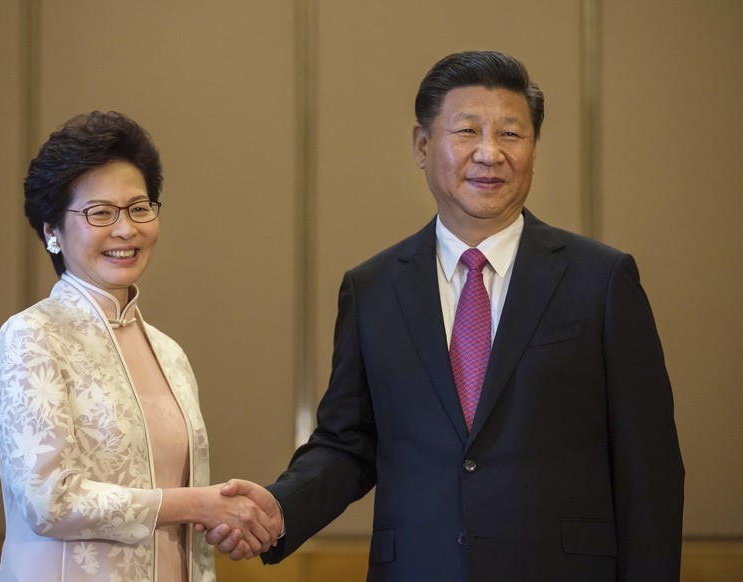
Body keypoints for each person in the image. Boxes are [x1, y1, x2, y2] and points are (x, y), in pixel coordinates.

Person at [206, 51, 685, 581]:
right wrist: (280, 508)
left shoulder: (601, 280)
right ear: (422, 145)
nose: (489, 153)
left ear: (533, 150)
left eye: (511, 134)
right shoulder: (374, 289)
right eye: (467, 131)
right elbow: (349, 444)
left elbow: (651, 469)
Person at [0, 111, 279, 581]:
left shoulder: (170, 354)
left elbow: (181, 510)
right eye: (100, 213)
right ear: (52, 232)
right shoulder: (31, 336)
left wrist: (225, 519)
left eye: (139, 207)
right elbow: (50, 501)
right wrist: (197, 503)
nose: (125, 229)